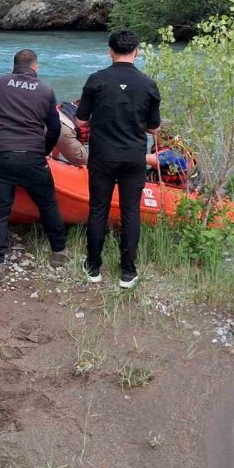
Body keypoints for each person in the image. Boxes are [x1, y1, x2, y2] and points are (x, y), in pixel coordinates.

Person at [0, 49, 69, 285]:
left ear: (14, 66)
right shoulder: (46, 90)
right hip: (33, 157)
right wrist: (44, 151)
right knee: (48, 205)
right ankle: (59, 254)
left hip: (1, 156)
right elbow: (55, 128)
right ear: (35, 68)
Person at [75, 29, 161, 289]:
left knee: (98, 209)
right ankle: (127, 273)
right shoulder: (148, 84)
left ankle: (93, 268)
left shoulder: (96, 80)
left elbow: (80, 121)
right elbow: (154, 128)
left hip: (102, 155)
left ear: (110, 52)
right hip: (134, 157)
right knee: (130, 211)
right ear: (137, 52)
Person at [52, 100, 88, 166]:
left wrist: (54, 159)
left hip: (45, 121)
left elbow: (58, 138)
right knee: (86, 165)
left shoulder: (74, 103)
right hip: (64, 129)